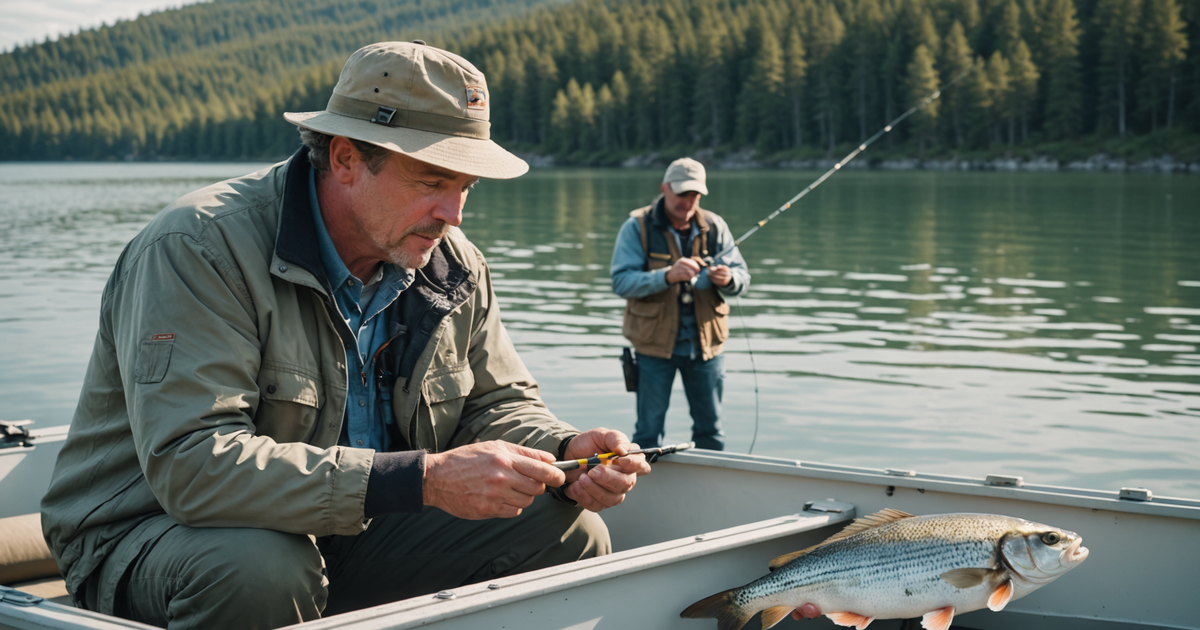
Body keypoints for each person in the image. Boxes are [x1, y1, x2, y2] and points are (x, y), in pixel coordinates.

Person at [40, 41, 649, 629]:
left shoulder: (453, 261)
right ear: (345, 159)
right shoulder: (198, 247)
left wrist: (566, 449)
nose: (454, 214)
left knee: (568, 526)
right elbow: (192, 466)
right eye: (431, 181)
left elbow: (497, 404)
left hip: (340, 534)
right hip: (150, 534)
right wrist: (425, 479)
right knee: (262, 570)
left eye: (466, 188)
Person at [610, 158, 751, 451]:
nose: (688, 202)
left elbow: (742, 277)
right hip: (653, 348)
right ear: (665, 188)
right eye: (682, 194)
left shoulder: (715, 226)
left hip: (707, 348)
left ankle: (711, 490)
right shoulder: (637, 227)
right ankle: (644, 489)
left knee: (711, 432)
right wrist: (666, 276)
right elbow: (621, 282)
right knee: (647, 434)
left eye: (694, 195)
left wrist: (728, 279)